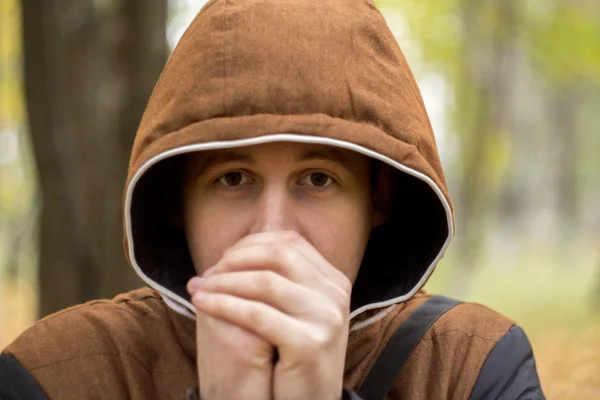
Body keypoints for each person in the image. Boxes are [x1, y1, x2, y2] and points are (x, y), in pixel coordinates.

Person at [0, 0, 545, 399]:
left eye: (318, 179)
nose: (273, 232)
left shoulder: (471, 370)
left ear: (378, 201)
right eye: (233, 179)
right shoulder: (57, 377)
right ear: (176, 202)